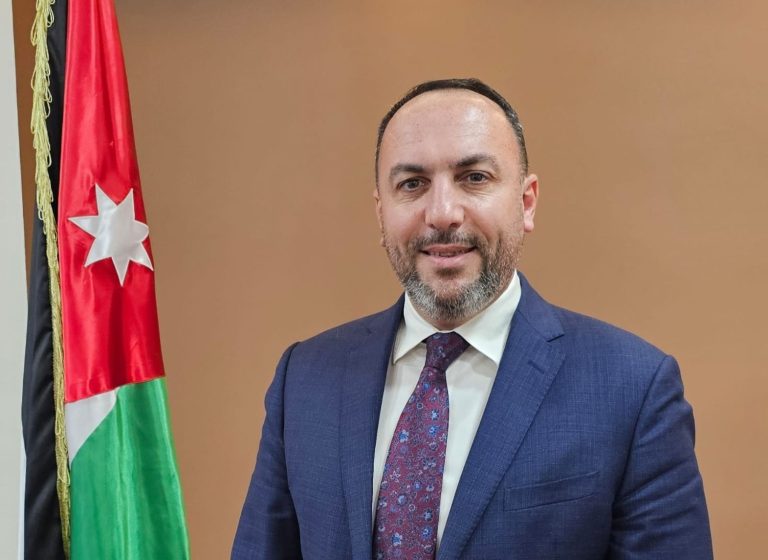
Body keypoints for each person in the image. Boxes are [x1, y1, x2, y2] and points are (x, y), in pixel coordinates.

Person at [232, 78, 713, 559]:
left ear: (526, 202)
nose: (442, 213)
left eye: (474, 178)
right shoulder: (304, 380)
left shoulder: (632, 389)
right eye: (412, 184)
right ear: (381, 213)